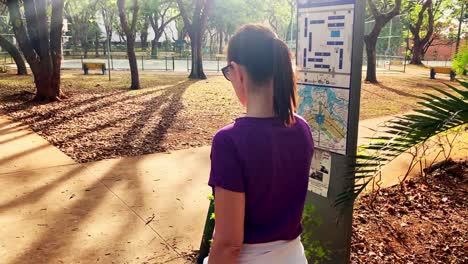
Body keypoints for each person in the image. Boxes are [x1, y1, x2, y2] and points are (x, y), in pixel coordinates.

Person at [205, 24, 314, 264]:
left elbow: (228, 245)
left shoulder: (229, 142)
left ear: (237, 72)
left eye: (228, 72)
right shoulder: (302, 129)